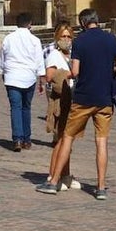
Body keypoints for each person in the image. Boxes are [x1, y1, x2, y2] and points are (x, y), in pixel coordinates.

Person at [36, 9, 116, 200]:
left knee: (67, 137)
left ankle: (53, 182)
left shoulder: (80, 42)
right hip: (105, 98)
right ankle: (101, 187)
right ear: (97, 21)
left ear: (83, 23)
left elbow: (75, 72)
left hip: (84, 98)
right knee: (101, 142)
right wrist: (105, 68)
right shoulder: (111, 39)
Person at [0, 12, 46, 151]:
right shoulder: (35, 40)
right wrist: (41, 80)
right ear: (30, 24)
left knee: (15, 107)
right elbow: (39, 61)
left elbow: (2, 57)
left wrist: (2, 72)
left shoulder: (8, 38)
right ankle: (26, 139)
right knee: (26, 107)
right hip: (29, 77)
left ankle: (17, 139)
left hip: (12, 76)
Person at [44, 24, 79, 191]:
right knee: (60, 141)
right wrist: (70, 75)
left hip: (71, 99)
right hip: (60, 102)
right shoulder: (54, 55)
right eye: (63, 37)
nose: (66, 40)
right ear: (57, 38)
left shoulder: (72, 56)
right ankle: (53, 175)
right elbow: (50, 76)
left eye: (69, 37)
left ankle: (66, 175)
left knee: (68, 141)